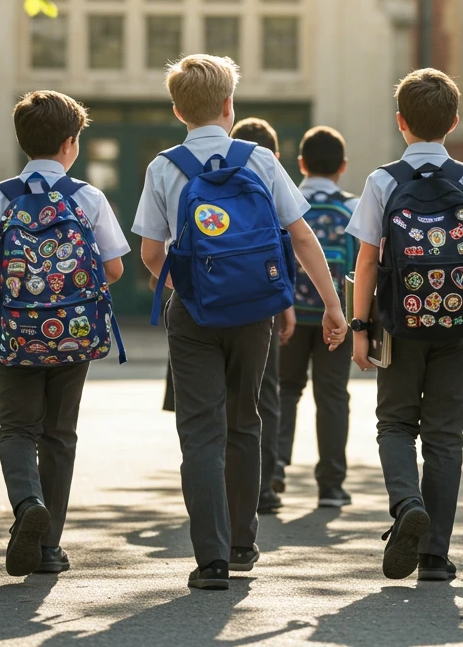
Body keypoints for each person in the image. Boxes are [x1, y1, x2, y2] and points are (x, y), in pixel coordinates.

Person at [132, 54, 347, 590]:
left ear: (179, 110)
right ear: (230, 106)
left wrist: (190, 287)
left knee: (200, 431)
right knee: (245, 420)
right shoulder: (261, 162)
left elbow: (151, 253)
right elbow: (301, 238)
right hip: (255, 312)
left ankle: (210, 560)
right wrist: (334, 306)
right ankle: (243, 542)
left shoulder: (165, 166)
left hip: (193, 314)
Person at [0, 90, 130, 576]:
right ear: (71, 144)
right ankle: (50, 547)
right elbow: (114, 269)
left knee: (16, 428)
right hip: (74, 333)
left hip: (15, 332)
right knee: (59, 434)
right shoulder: (88, 198)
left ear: (21, 142)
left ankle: (27, 502)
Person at [347, 68, 463, 582]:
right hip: (459, 322)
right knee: (445, 434)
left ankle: (406, 506)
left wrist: (359, 326)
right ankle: (435, 555)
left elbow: (367, 261)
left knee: (395, 422)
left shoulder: (381, 181)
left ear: (401, 123)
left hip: (398, 321)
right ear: (454, 123)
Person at [276, 125, 357, 509]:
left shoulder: (283, 203)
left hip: (287, 315)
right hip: (336, 316)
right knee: (332, 396)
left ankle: (273, 470)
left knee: (285, 391)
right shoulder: (352, 208)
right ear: (342, 166)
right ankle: (331, 484)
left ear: (301, 164)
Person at [227, 116, 296, 515]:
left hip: (208, 302)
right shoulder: (267, 172)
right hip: (260, 302)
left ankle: (221, 482)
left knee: (213, 398)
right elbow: (289, 239)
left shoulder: (188, 167)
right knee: (263, 393)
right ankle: (264, 487)